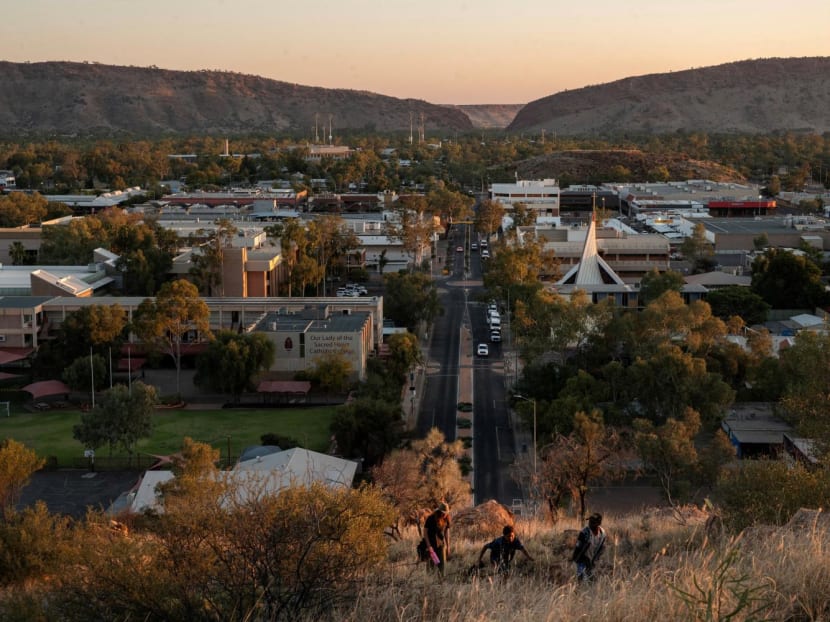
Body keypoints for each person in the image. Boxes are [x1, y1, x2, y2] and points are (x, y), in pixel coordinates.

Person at [571, 512, 606, 582]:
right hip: (582, 560)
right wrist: (575, 561)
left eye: (593, 522)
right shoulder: (584, 533)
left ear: (599, 523)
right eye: (590, 521)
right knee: (581, 579)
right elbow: (578, 548)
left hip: (593, 560)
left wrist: (595, 560)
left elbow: (602, 548)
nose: (590, 524)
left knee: (592, 580)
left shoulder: (602, 533)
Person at [423, 502, 451, 575]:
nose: (445, 514)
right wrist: (429, 546)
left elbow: (446, 532)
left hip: (441, 544)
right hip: (431, 545)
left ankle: (441, 581)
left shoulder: (447, 518)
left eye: (446, 512)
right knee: (431, 568)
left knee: (441, 566)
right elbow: (425, 532)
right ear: (439, 511)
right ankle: (431, 583)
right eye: (443, 512)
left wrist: (448, 546)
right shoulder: (431, 518)